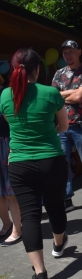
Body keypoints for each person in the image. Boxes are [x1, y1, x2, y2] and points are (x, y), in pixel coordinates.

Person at [0, 48, 69, 279]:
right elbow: (63, 125)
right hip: (51, 160)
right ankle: (59, 245)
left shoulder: (4, 96)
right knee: (55, 206)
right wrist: (47, 133)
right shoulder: (51, 92)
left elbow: (12, 126)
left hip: (19, 163)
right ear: (37, 69)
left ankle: (40, 274)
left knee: (29, 216)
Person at [52, 39, 82, 212]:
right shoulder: (58, 73)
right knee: (62, 164)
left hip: (81, 124)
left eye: (71, 51)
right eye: (65, 52)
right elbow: (53, 97)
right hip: (61, 125)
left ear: (79, 52)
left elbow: (80, 98)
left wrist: (65, 96)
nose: (68, 55)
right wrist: (73, 91)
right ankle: (66, 198)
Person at [0, 77, 22, 247]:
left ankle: (17, 229)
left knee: (9, 191)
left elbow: (13, 122)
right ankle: (6, 224)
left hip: (5, 142)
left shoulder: (5, 94)